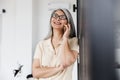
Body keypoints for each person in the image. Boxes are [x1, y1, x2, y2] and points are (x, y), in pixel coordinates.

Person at [32, 8, 79, 80]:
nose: (57, 19)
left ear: (68, 23)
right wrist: (59, 68)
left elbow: (66, 62)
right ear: (51, 19)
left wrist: (65, 38)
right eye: (55, 15)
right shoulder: (41, 44)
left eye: (62, 17)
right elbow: (35, 73)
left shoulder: (73, 41)